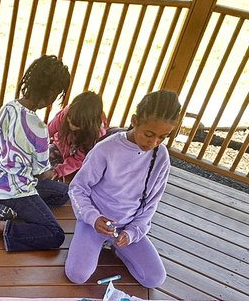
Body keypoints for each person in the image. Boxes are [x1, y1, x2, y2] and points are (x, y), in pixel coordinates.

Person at [65, 90, 181, 288]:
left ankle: (117, 248)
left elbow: (151, 203)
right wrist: (92, 217)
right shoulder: (106, 149)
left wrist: (134, 232)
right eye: (149, 134)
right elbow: (77, 189)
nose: (153, 143)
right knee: (77, 275)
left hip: (127, 227)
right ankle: (90, 238)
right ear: (135, 121)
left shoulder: (161, 157)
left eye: (163, 137)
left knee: (154, 279)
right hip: (95, 222)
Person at [0, 55, 72, 250]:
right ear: (52, 93)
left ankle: (2, 207)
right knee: (55, 235)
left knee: (62, 194)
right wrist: (56, 170)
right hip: (17, 191)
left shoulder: (8, 107)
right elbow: (42, 173)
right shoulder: (39, 129)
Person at [45, 90, 108, 182]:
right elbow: (48, 132)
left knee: (59, 183)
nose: (70, 126)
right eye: (69, 121)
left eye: (76, 125)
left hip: (76, 164)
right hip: (58, 148)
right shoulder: (65, 114)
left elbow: (78, 160)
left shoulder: (94, 135)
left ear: (88, 125)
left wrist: (56, 172)